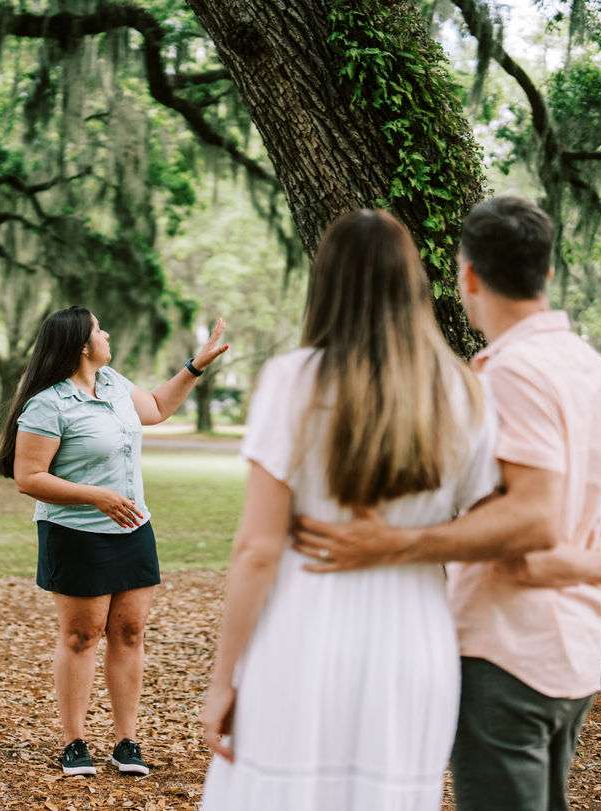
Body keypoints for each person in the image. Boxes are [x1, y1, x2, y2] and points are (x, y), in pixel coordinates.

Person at [292, 196, 601, 811]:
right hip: (576, 649)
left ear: (469, 275)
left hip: (504, 652)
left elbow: (532, 515)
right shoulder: (596, 369)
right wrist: (581, 565)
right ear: (549, 273)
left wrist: (396, 543)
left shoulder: (513, 373)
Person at [199, 210, 507, 810]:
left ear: (327, 284)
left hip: (301, 631)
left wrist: (222, 680)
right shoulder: (463, 390)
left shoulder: (293, 380)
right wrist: (413, 540)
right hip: (412, 645)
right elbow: (492, 524)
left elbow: (258, 550)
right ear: (413, 282)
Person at [0, 306, 227, 776]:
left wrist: (196, 365)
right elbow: (27, 477)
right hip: (75, 533)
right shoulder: (48, 404)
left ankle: (127, 741)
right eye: (100, 328)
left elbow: (158, 409)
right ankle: (75, 742)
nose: (107, 333)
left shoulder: (115, 384)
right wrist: (94, 497)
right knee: (82, 636)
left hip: (132, 528)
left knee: (130, 633)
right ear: (83, 345)